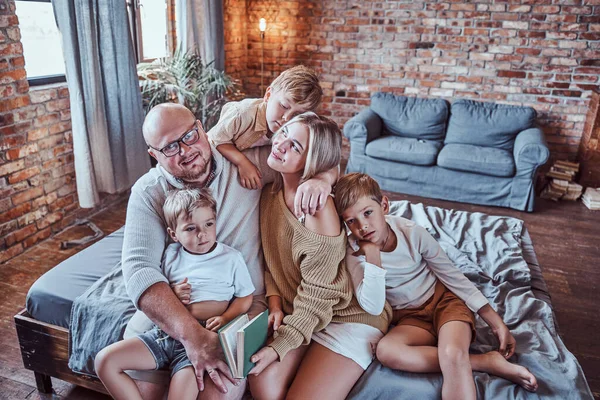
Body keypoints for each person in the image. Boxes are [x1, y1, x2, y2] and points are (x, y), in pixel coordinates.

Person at [120, 102, 336, 400]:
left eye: (190, 136)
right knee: (144, 392)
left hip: (239, 309)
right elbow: (138, 270)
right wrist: (192, 336)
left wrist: (323, 178)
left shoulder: (249, 164)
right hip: (172, 310)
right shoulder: (149, 191)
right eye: (170, 147)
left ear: (201, 128)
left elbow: (319, 152)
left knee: (214, 394)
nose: (186, 150)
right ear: (154, 156)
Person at [333, 173, 539, 400]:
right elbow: (372, 306)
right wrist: (372, 256)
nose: (362, 226)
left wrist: (495, 322)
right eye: (351, 221)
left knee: (452, 353)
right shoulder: (354, 252)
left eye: (368, 213)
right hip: (410, 318)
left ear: (384, 205)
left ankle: (464, 358)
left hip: (445, 302)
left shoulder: (412, 233)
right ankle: (485, 361)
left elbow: (452, 276)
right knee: (386, 351)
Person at [247, 113, 392, 400]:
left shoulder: (319, 209)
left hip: (346, 317)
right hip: (300, 313)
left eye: (296, 147)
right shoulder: (268, 196)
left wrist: (281, 344)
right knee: (263, 386)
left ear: (312, 163)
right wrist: (275, 302)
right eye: (285, 132)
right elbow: (273, 264)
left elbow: (318, 294)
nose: (281, 144)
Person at [96, 188, 255, 400]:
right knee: (105, 361)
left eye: (209, 224)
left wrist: (226, 317)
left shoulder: (231, 258)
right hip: (164, 333)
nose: (202, 234)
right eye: (191, 228)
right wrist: (173, 293)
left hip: (203, 337)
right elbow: (158, 292)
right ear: (174, 235)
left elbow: (245, 297)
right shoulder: (171, 255)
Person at [208, 65, 322, 191]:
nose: (286, 118)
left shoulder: (292, 129)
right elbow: (215, 139)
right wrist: (243, 163)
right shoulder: (242, 113)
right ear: (268, 95)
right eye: (284, 106)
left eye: (297, 115)